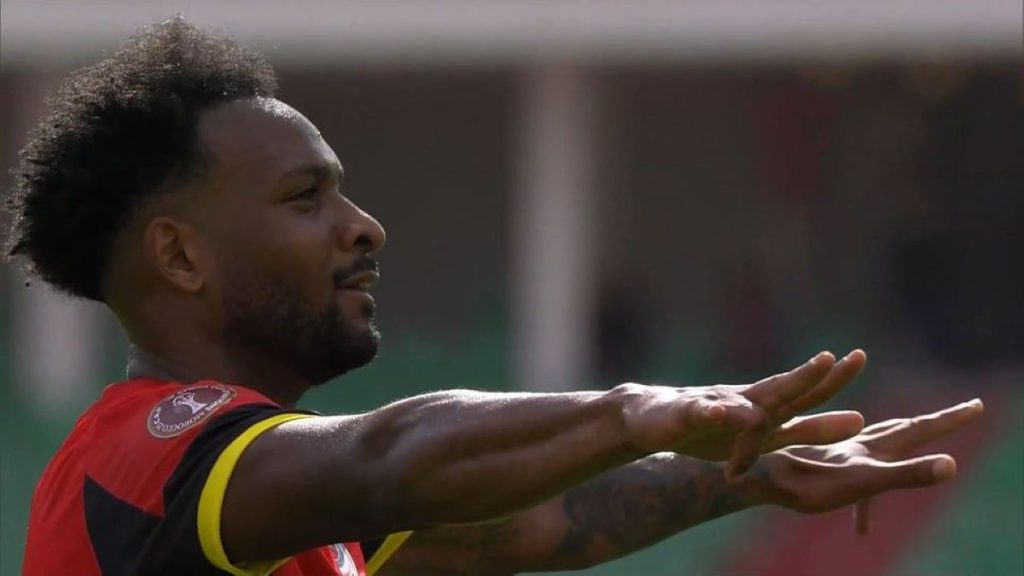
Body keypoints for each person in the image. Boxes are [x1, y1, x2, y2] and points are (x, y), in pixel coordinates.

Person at [5, 18, 982, 576]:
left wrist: (754, 474)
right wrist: (629, 411)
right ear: (180, 257)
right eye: (305, 199)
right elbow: (388, 457)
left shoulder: (274, 510)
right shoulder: (144, 459)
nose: (363, 227)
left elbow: (538, 522)